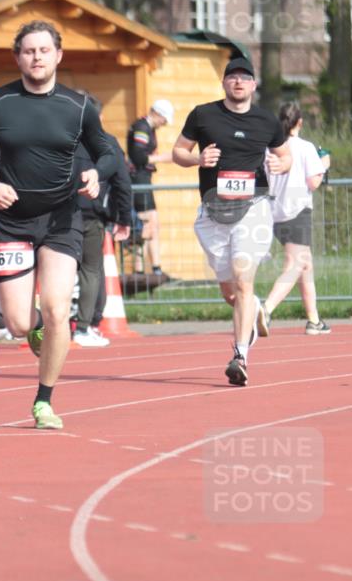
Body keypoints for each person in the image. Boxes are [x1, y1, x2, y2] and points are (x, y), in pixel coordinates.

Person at [0, 20, 115, 429]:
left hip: (62, 219)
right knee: (19, 323)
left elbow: (107, 152)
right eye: (29, 51)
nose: (37, 57)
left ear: (58, 55)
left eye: (44, 50)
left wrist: (98, 174)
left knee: (59, 308)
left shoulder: (79, 107)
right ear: (18, 57)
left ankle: (44, 401)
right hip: (11, 221)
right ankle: (37, 329)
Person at [172, 57, 291, 386]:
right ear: (224, 83)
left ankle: (240, 355)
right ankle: (253, 311)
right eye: (232, 77)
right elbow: (177, 152)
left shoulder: (267, 121)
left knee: (242, 277)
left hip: (252, 210)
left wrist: (282, 165)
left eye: (245, 78)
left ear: (253, 85)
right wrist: (197, 158)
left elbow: (285, 155)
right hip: (213, 213)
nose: (238, 82)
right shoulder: (203, 115)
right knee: (231, 293)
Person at [262, 103, 331, 335]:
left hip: (275, 211)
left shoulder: (270, 147)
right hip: (297, 210)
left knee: (305, 264)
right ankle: (266, 309)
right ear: (299, 122)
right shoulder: (305, 147)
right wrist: (324, 166)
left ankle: (314, 320)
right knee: (295, 265)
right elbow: (313, 182)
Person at [73, 94, 132, 347]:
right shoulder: (108, 143)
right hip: (90, 215)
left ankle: (48, 325)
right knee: (90, 270)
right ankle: (84, 326)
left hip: (55, 215)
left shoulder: (60, 141)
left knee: (57, 270)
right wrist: (124, 218)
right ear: (100, 117)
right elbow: (122, 184)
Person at [127, 99, 174, 274]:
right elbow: (139, 157)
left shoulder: (148, 128)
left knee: (147, 223)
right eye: (164, 119)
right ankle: (152, 269)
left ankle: (146, 269)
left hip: (143, 179)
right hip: (138, 179)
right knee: (148, 223)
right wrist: (166, 158)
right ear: (157, 113)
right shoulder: (142, 127)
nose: (164, 124)